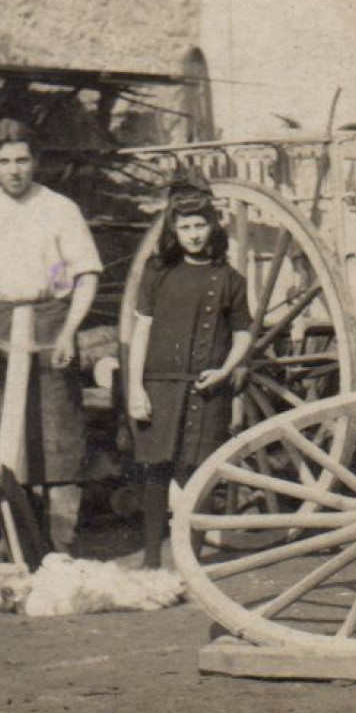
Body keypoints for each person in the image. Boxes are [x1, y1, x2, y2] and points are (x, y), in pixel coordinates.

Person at [0, 119, 103, 554]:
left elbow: (85, 275)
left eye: (22, 160)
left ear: (35, 161)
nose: (14, 170)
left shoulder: (59, 208)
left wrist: (70, 332)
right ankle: (14, 540)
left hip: (50, 322)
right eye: (4, 161)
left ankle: (60, 546)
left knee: (58, 434)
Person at [125, 186, 253, 569]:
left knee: (198, 475)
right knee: (156, 471)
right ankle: (150, 563)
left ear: (213, 227)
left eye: (201, 225)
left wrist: (225, 370)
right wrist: (135, 388)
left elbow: (244, 333)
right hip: (160, 384)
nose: (194, 234)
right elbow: (141, 331)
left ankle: (191, 567)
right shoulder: (157, 272)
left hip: (206, 390)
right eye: (186, 227)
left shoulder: (228, 279)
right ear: (174, 231)